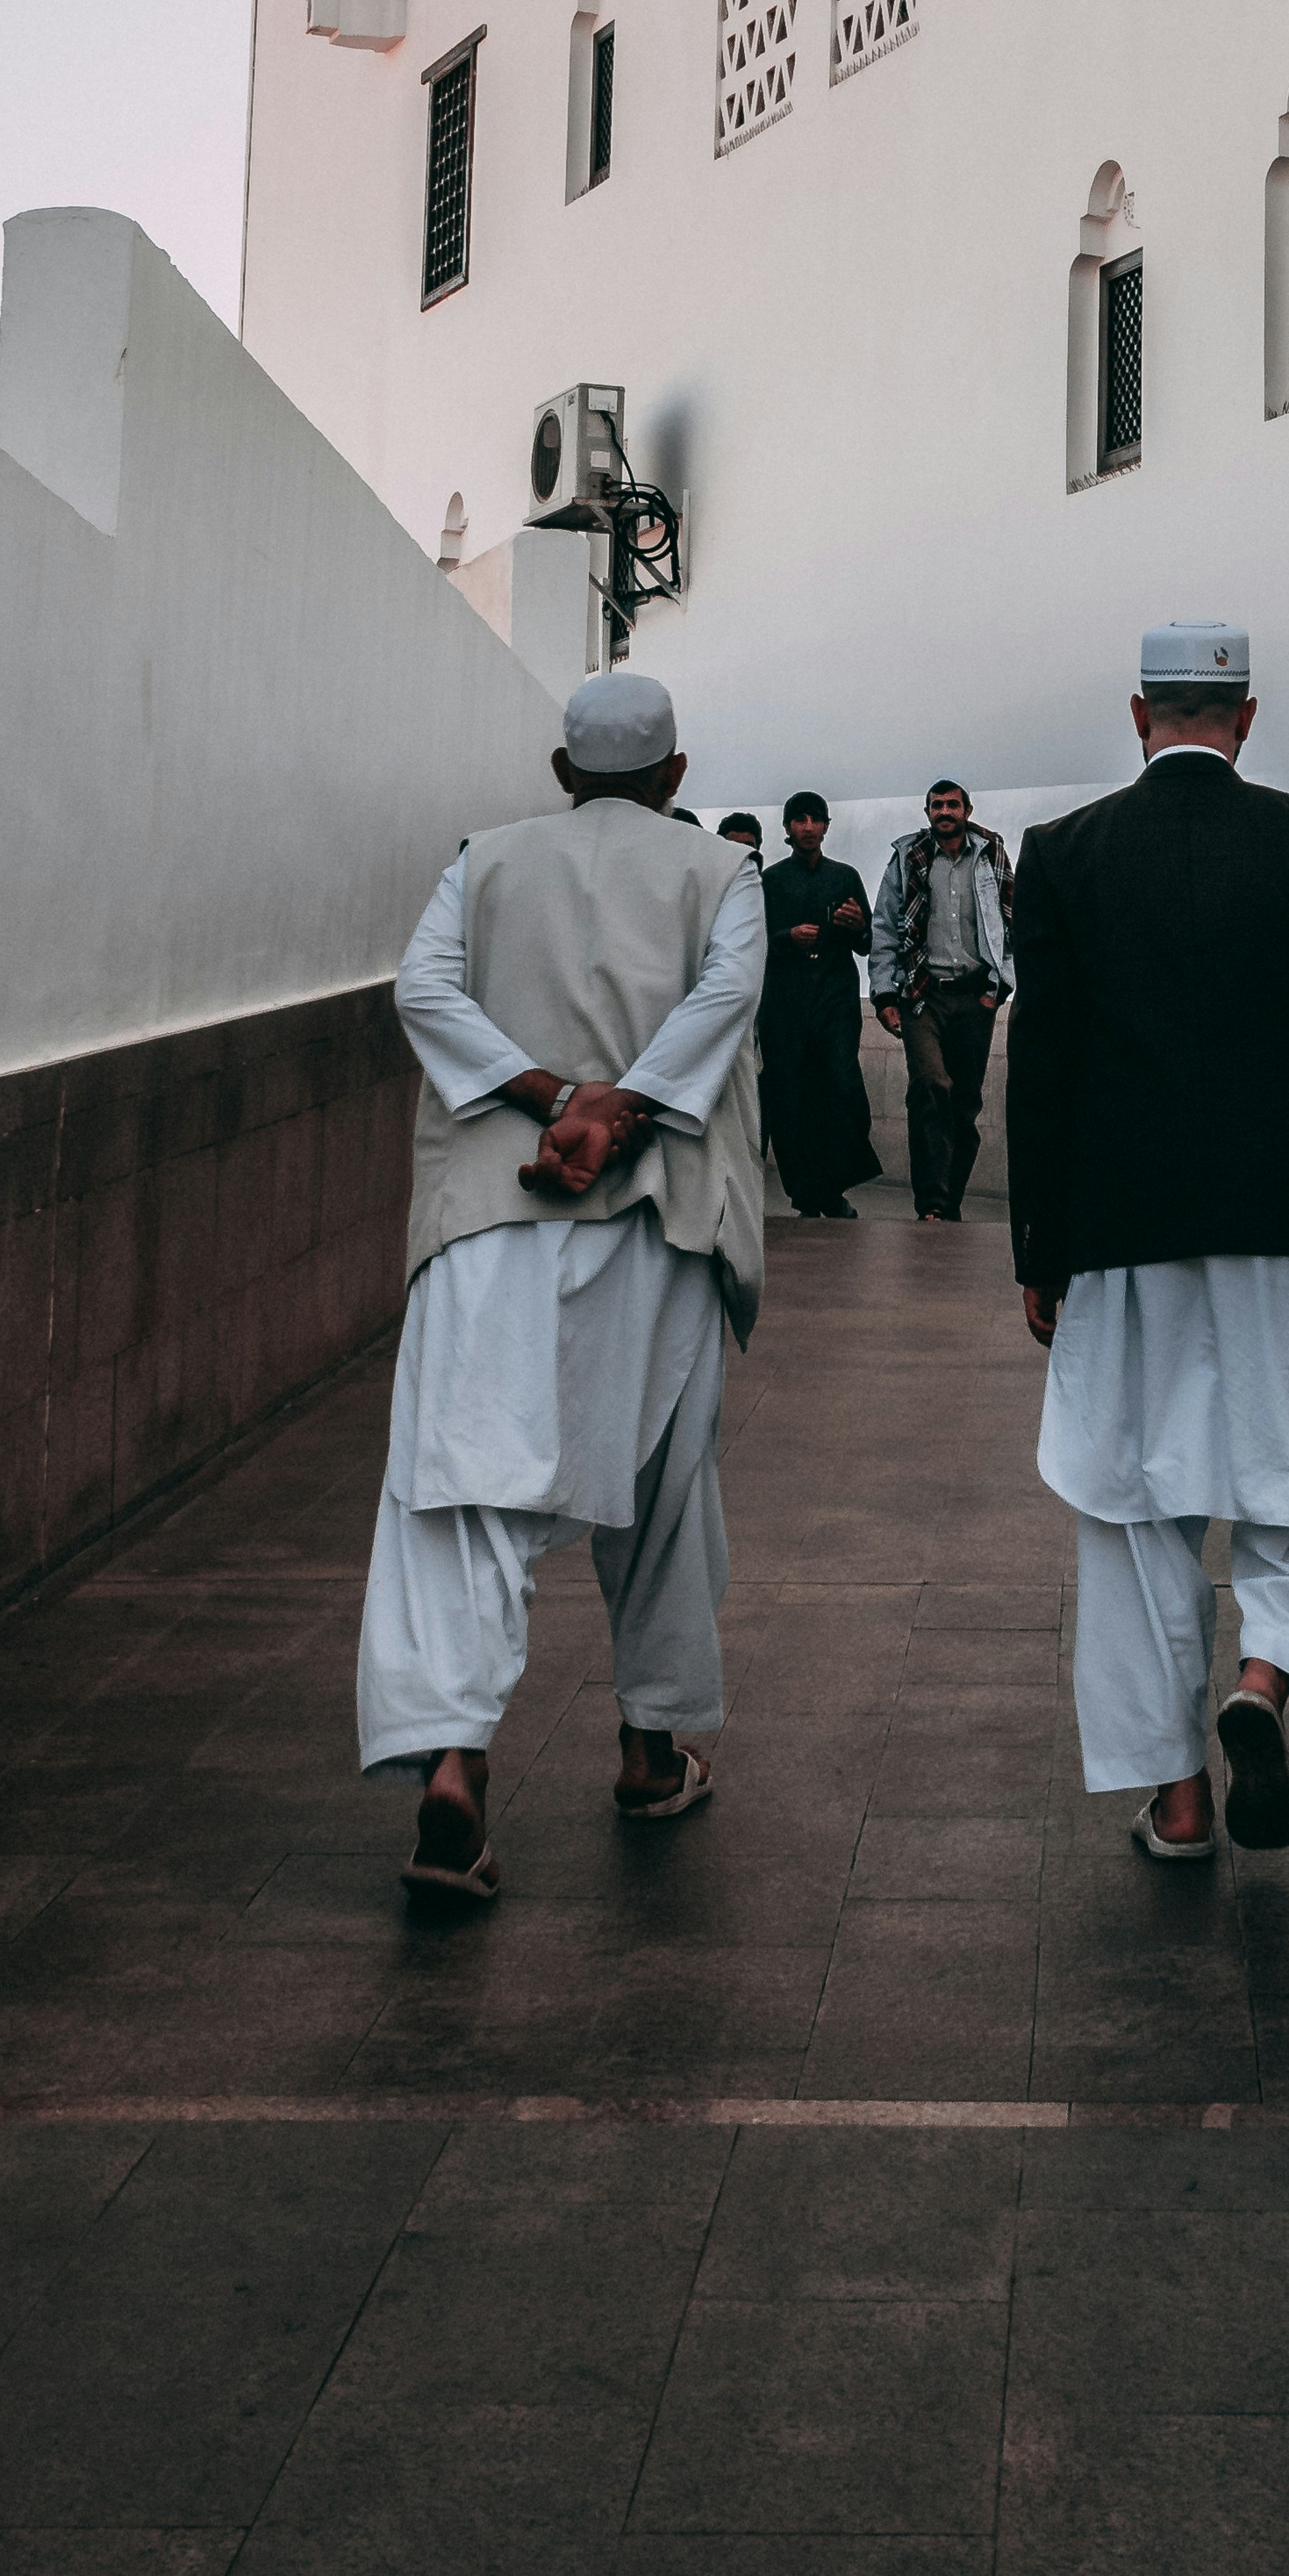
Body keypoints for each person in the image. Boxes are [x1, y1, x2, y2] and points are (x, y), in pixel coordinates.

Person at [1006, 624, 1289, 1859]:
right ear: (1246, 718)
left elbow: (1042, 1068)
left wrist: (1038, 1245)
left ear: (1139, 712)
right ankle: (1264, 1677)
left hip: (1125, 1227)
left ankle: (1178, 1801)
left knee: (1133, 1503)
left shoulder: (1064, 853)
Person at [356, 665, 769, 1902]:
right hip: (655, 1217)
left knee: (461, 1496)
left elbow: (422, 989)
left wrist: (548, 1096)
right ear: (676, 778)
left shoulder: (482, 859)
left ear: (560, 772)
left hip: (491, 1219)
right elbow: (729, 994)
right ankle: (650, 1752)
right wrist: (624, 1107)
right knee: (657, 1484)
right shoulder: (721, 871)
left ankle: (455, 1768)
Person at [871, 777, 1015, 1222]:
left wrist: (999, 987)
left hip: (976, 998)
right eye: (937, 805)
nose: (944, 812)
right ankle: (932, 1203)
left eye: (952, 805)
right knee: (932, 1086)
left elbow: (1013, 922)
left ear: (967, 811)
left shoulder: (990, 856)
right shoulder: (907, 859)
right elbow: (885, 927)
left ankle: (949, 1202)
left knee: (965, 1102)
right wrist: (883, 994)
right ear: (928, 812)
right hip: (923, 995)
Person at [759, 792, 878, 1221]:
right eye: (799, 820)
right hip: (785, 1007)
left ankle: (831, 1187)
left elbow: (867, 944)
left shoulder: (844, 877)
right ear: (788, 828)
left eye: (815, 820)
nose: (808, 827)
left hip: (835, 1004)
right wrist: (787, 938)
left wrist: (858, 925)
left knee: (842, 1088)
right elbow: (754, 943)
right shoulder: (770, 881)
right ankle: (810, 1197)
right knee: (790, 1100)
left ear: (827, 826)